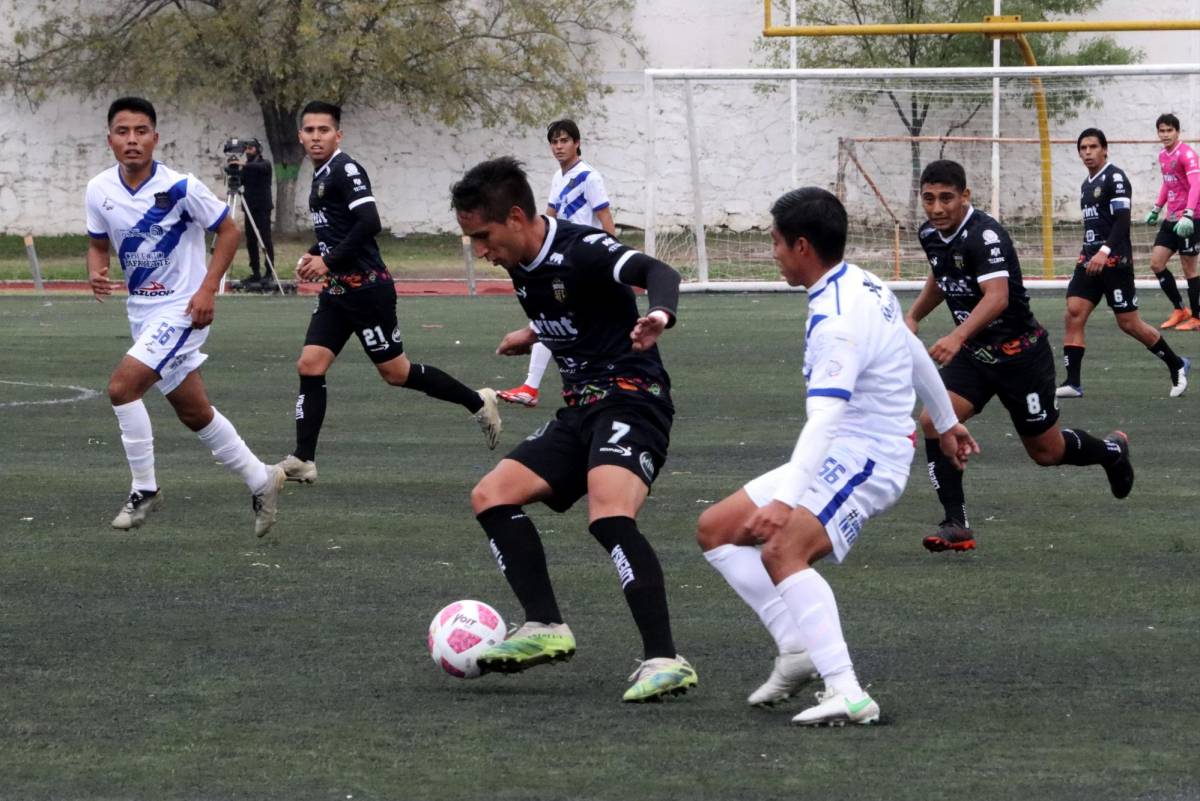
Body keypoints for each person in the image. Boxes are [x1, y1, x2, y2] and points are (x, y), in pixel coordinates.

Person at [696, 187, 977, 726]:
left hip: (870, 456)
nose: (772, 253)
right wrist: (946, 422)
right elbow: (913, 349)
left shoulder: (837, 325)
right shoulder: (863, 281)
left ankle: (846, 690)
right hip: (846, 449)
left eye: (776, 243)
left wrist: (783, 501)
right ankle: (796, 645)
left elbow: (824, 420)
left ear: (802, 246)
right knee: (716, 529)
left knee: (781, 547)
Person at [451, 156, 696, 703]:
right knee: (491, 495)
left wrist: (659, 315)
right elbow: (570, 310)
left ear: (517, 217)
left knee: (609, 514)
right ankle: (545, 625)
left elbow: (660, 273)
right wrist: (534, 332)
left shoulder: (583, 248)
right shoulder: (521, 262)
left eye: (485, 238)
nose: (483, 253)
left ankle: (665, 659)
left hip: (634, 399)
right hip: (581, 408)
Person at [907, 160, 1135, 554]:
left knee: (1047, 453)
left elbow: (998, 298)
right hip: (977, 355)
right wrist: (913, 315)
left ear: (965, 196)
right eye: (929, 199)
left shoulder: (986, 235)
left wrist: (957, 335)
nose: (937, 208)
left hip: (1020, 356)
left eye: (946, 198)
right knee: (932, 421)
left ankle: (1112, 452)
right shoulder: (930, 233)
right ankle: (957, 524)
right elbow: (942, 277)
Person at [85, 97, 285, 536]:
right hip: (142, 312)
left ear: (156, 138)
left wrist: (208, 288)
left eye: (141, 131)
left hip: (183, 309)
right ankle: (261, 478)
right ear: (110, 139)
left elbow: (229, 230)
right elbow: (98, 242)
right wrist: (95, 272)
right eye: (123, 132)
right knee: (194, 412)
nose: (132, 140)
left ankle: (145, 489)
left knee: (121, 389)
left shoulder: (180, 187)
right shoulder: (99, 189)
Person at [279, 101, 501, 484]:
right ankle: (304, 458)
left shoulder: (345, 169)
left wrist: (328, 262)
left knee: (397, 374)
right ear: (301, 136)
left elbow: (369, 222)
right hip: (337, 292)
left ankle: (478, 401)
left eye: (324, 130)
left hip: (367, 290)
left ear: (338, 135)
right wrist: (315, 253)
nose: (316, 137)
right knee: (309, 364)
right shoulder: (319, 175)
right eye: (310, 131)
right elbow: (338, 228)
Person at [1057, 128, 1189, 399]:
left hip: (1115, 262)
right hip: (1089, 261)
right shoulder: (1086, 184)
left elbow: (1121, 221)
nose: (1087, 152)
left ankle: (1176, 364)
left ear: (1105, 149)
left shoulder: (1115, 178)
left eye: (1093, 147)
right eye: (1083, 148)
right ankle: (1073, 383)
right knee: (1073, 312)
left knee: (1129, 323)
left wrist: (1104, 251)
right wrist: (1089, 252)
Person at [498, 119, 617, 408]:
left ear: (577, 143)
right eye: (554, 141)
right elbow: (548, 216)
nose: (558, 146)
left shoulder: (589, 177)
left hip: (578, 261)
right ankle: (536, 387)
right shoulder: (558, 177)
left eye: (564, 140)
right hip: (558, 259)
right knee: (555, 319)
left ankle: (534, 387)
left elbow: (606, 223)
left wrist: (606, 257)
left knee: (554, 319)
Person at [1145, 113, 1200, 330]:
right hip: (1171, 218)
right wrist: (1157, 207)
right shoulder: (1163, 156)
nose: (1165, 134)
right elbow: (1168, 183)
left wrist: (1188, 214)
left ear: (1177, 131)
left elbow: (1196, 185)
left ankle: (1197, 316)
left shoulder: (1187, 155)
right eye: (1162, 130)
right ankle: (1180, 309)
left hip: (1190, 219)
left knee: (1189, 269)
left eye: (1169, 130)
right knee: (1156, 264)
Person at [239, 138, 275, 287]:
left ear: (258, 150)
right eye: (246, 148)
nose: (248, 151)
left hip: (263, 207)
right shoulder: (247, 167)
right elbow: (240, 181)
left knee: (265, 239)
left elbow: (258, 168)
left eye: (251, 148)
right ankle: (255, 272)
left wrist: (243, 165)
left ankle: (269, 272)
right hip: (249, 207)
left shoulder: (264, 164)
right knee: (251, 240)